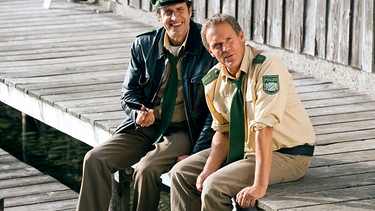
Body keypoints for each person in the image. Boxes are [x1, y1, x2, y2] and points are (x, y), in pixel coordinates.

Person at [76, 0, 217, 210]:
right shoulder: (144, 44)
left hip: (185, 129)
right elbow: (129, 92)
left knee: (146, 169)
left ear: (190, 11)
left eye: (180, 10)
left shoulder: (208, 47)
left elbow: (213, 112)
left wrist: (197, 153)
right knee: (94, 159)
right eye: (168, 12)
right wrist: (136, 112)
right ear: (158, 16)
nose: (175, 17)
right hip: (146, 126)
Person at [170, 13, 315, 211]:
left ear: (241, 36)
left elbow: (264, 129)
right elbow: (223, 132)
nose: (225, 48)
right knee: (180, 173)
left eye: (229, 39)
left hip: (286, 154)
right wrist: (207, 170)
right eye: (217, 45)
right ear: (210, 51)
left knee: (214, 187)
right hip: (245, 150)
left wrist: (258, 186)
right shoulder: (213, 81)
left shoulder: (267, 66)